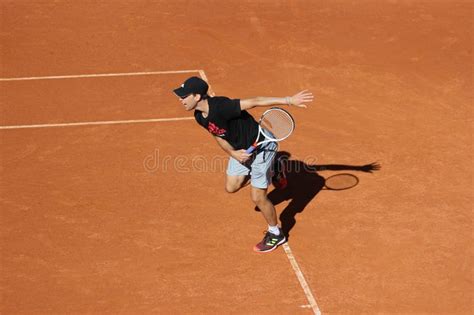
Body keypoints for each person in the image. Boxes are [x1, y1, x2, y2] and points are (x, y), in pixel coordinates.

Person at [173, 76, 313, 253]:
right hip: (242, 150)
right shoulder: (199, 116)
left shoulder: (222, 107)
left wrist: (288, 100)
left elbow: (254, 101)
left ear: (197, 96)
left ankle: (276, 233)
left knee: (258, 198)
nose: (180, 99)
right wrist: (233, 153)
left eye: (184, 96)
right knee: (232, 187)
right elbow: (217, 135)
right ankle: (276, 168)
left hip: (262, 145)